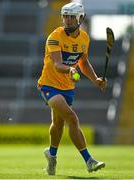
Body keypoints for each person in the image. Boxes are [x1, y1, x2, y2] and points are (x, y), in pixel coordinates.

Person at [37, 2, 106, 176]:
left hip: (68, 87)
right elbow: (59, 65)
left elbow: (83, 63)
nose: (67, 20)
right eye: (65, 16)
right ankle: (89, 160)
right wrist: (71, 69)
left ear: (80, 18)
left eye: (71, 17)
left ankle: (51, 156)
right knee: (72, 118)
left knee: (58, 124)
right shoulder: (55, 36)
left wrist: (96, 79)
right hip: (49, 85)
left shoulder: (84, 38)